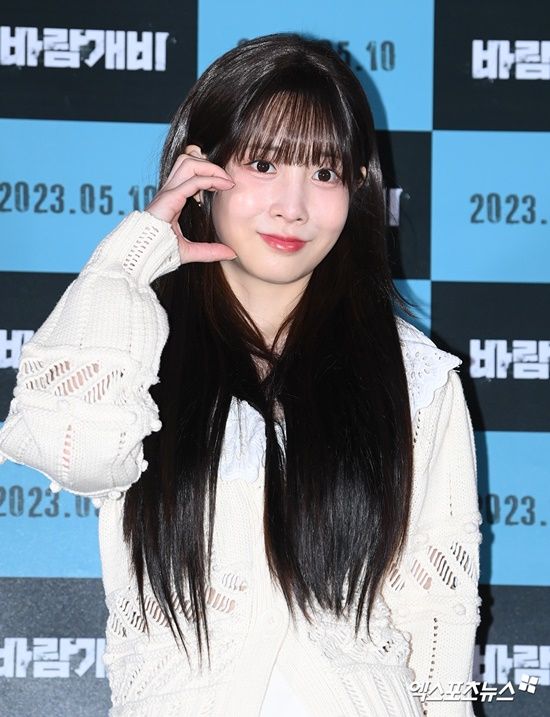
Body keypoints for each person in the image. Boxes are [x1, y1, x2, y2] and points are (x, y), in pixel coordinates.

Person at [0, 32, 482, 717]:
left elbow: (439, 618)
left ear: (357, 189)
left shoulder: (415, 376)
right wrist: (131, 258)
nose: (293, 205)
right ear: (200, 172)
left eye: (324, 173)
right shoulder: (137, 340)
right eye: (263, 163)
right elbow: (71, 451)